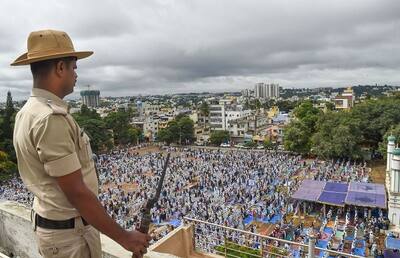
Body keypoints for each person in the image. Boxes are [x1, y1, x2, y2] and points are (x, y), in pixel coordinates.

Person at [11, 29, 151, 258]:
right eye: (74, 67)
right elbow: (76, 192)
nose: (76, 74)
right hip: (69, 237)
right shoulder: (50, 119)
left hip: (58, 228)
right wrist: (124, 237)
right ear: (60, 68)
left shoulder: (27, 112)